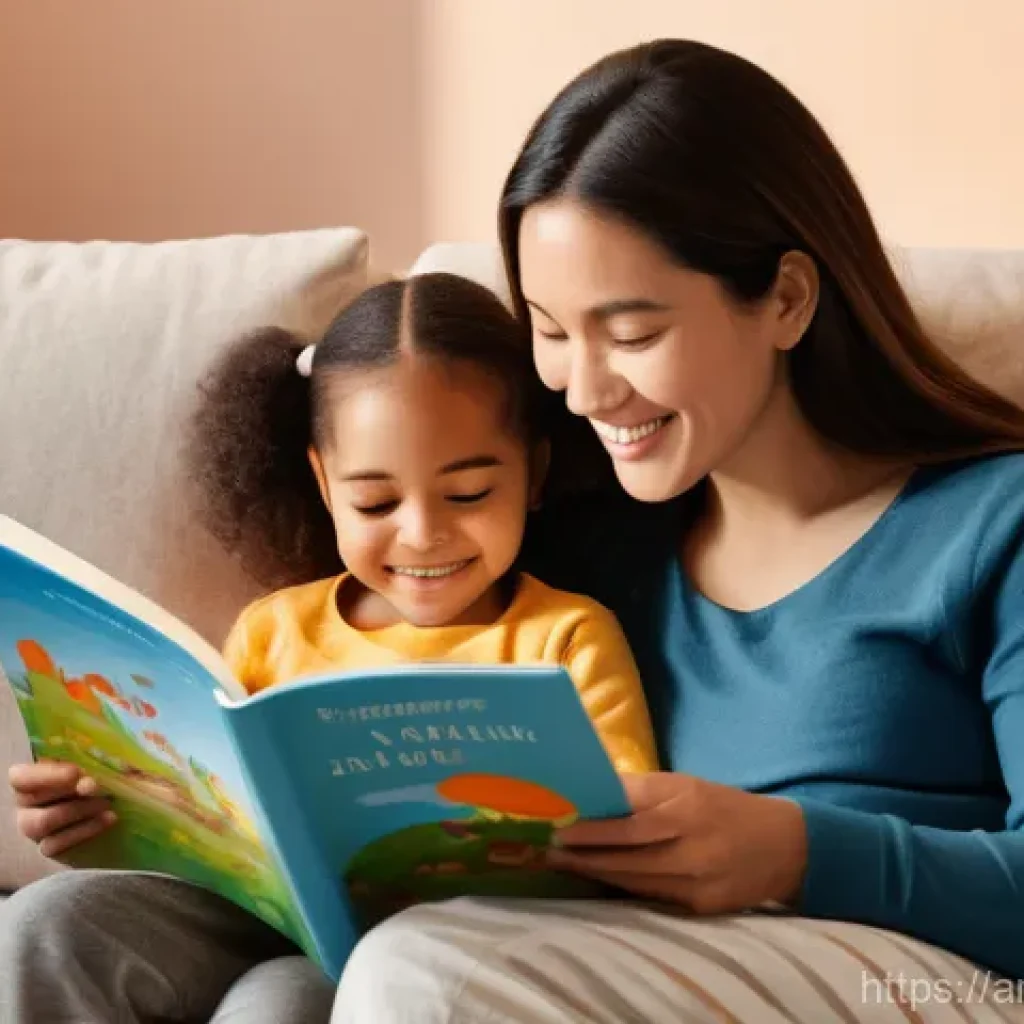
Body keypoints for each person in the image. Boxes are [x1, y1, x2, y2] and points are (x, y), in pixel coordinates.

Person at [327, 39, 1024, 1023]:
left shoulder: (993, 525)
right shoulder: (586, 549)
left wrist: (795, 849)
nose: (583, 388)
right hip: (628, 972)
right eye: (552, 330)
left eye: (631, 333)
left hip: (927, 978)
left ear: (784, 298)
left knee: (428, 975)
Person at [0, 272, 658, 1023]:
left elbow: (623, 842)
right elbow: (207, 808)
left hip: (430, 950)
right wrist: (97, 813)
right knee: (40, 926)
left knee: (276, 1007)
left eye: (469, 494)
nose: (422, 534)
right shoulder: (273, 629)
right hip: (242, 915)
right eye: (375, 501)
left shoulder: (568, 637)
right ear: (322, 480)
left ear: (534, 474)